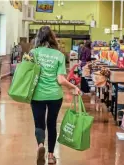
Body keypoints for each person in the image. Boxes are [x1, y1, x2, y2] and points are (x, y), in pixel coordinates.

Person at [30, 26, 81, 165]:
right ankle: (51, 156)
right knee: (51, 124)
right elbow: (60, 80)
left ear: (38, 38)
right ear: (52, 38)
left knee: (39, 124)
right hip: (54, 95)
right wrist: (73, 87)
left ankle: (41, 146)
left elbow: (27, 73)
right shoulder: (59, 55)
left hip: (37, 94)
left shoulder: (33, 53)